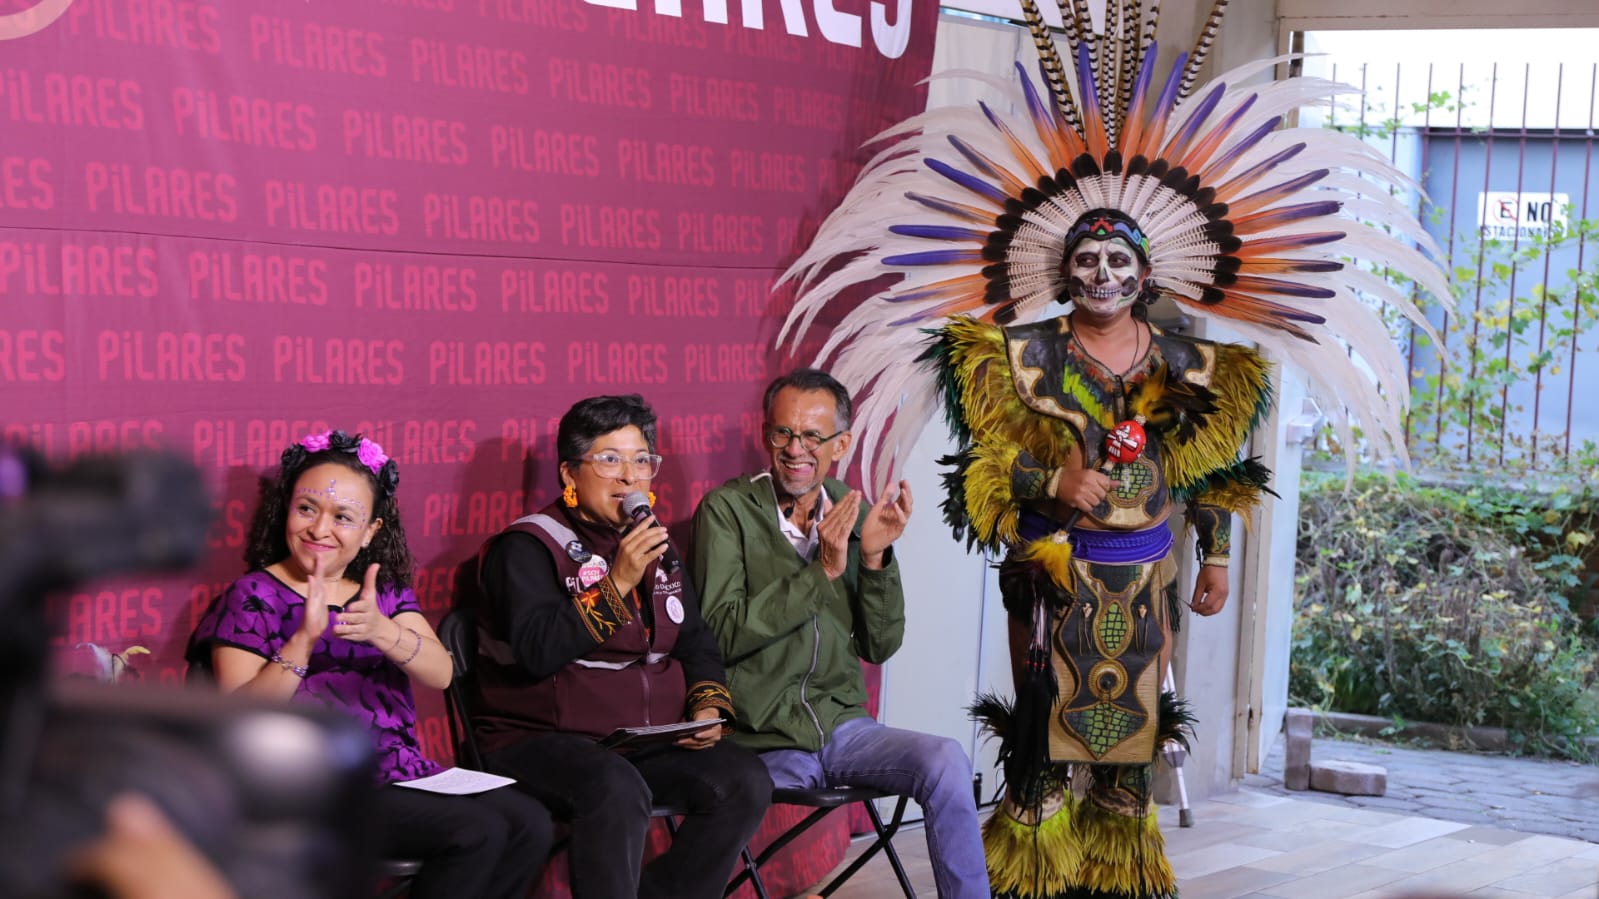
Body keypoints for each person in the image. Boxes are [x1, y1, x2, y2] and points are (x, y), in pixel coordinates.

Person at [769, 4, 1450, 896]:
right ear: (1060, 269)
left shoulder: (1189, 364)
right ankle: (1029, 874)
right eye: (1086, 261)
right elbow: (977, 477)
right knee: (1041, 733)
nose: (1101, 275)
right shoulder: (1017, 358)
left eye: (1117, 260)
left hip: (1145, 576)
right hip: (1049, 573)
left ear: (1147, 272)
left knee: (1129, 738)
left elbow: (1209, 469)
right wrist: (1055, 475)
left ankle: (1115, 874)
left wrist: (1214, 554)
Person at [188, 430, 553, 899]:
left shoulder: (381, 596)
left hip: (401, 772)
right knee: (474, 831)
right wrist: (302, 641)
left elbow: (440, 673)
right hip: (312, 786)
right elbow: (241, 715)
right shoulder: (253, 595)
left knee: (532, 824)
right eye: (307, 509)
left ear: (369, 533)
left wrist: (384, 631)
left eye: (343, 517)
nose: (320, 530)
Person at [691, 368, 989, 899]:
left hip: (845, 731)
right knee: (723, 800)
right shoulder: (727, 511)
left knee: (946, 759)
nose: (795, 449)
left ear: (841, 444)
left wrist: (874, 558)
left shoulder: (850, 509)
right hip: (761, 741)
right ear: (766, 435)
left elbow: (880, 644)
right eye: (782, 433)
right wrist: (820, 572)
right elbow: (719, 632)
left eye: (812, 436)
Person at [463, 394, 772, 899]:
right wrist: (618, 580)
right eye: (610, 460)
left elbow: (695, 641)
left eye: (641, 460)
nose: (630, 478)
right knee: (613, 787)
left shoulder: (657, 545)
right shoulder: (526, 547)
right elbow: (540, 650)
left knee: (744, 779)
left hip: (635, 741)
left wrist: (708, 702)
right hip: (537, 740)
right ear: (569, 474)